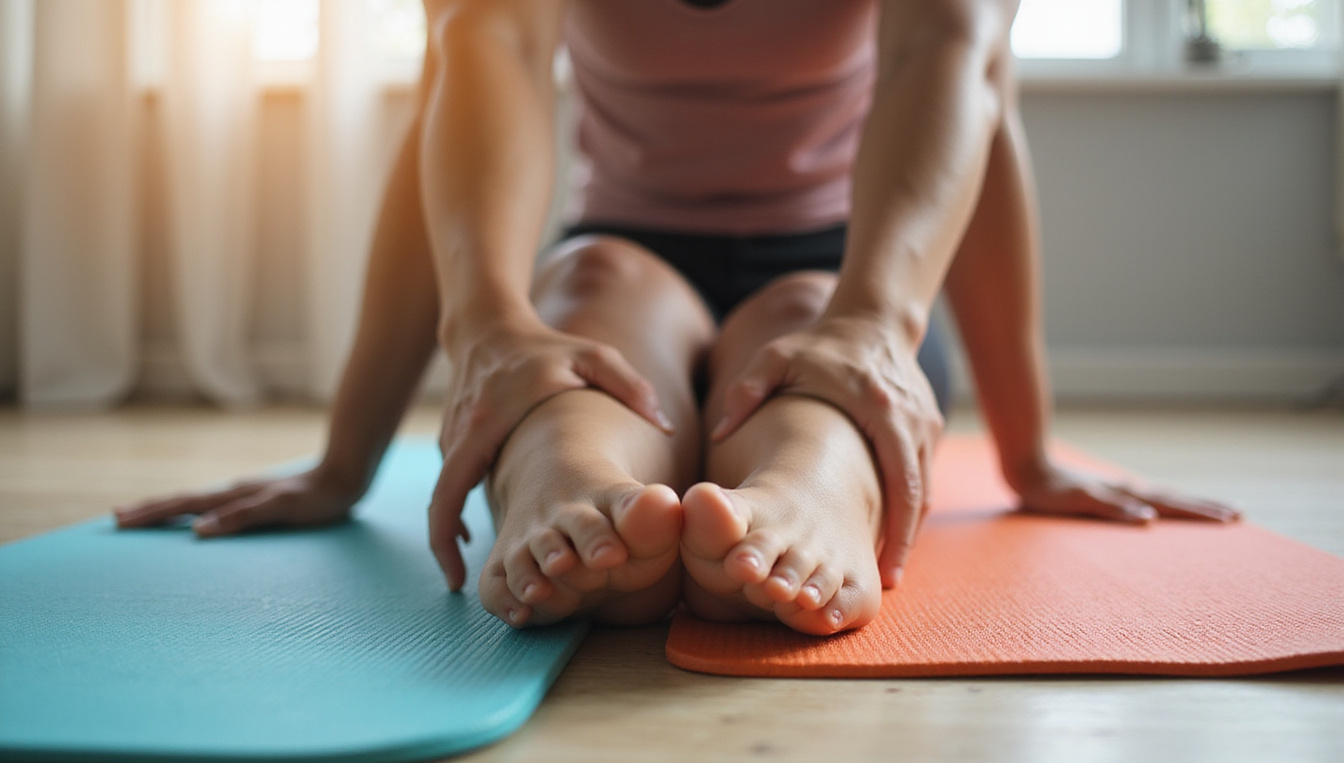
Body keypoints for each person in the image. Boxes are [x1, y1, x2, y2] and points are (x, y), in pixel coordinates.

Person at [115, 0, 1239, 635]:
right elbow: (474, 64)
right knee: (587, 301)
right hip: (628, 247)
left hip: (841, 260)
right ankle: (579, 495)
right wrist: (356, 446)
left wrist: (939, 372)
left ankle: (801, 500)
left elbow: (966, 73)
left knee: (809, 324)